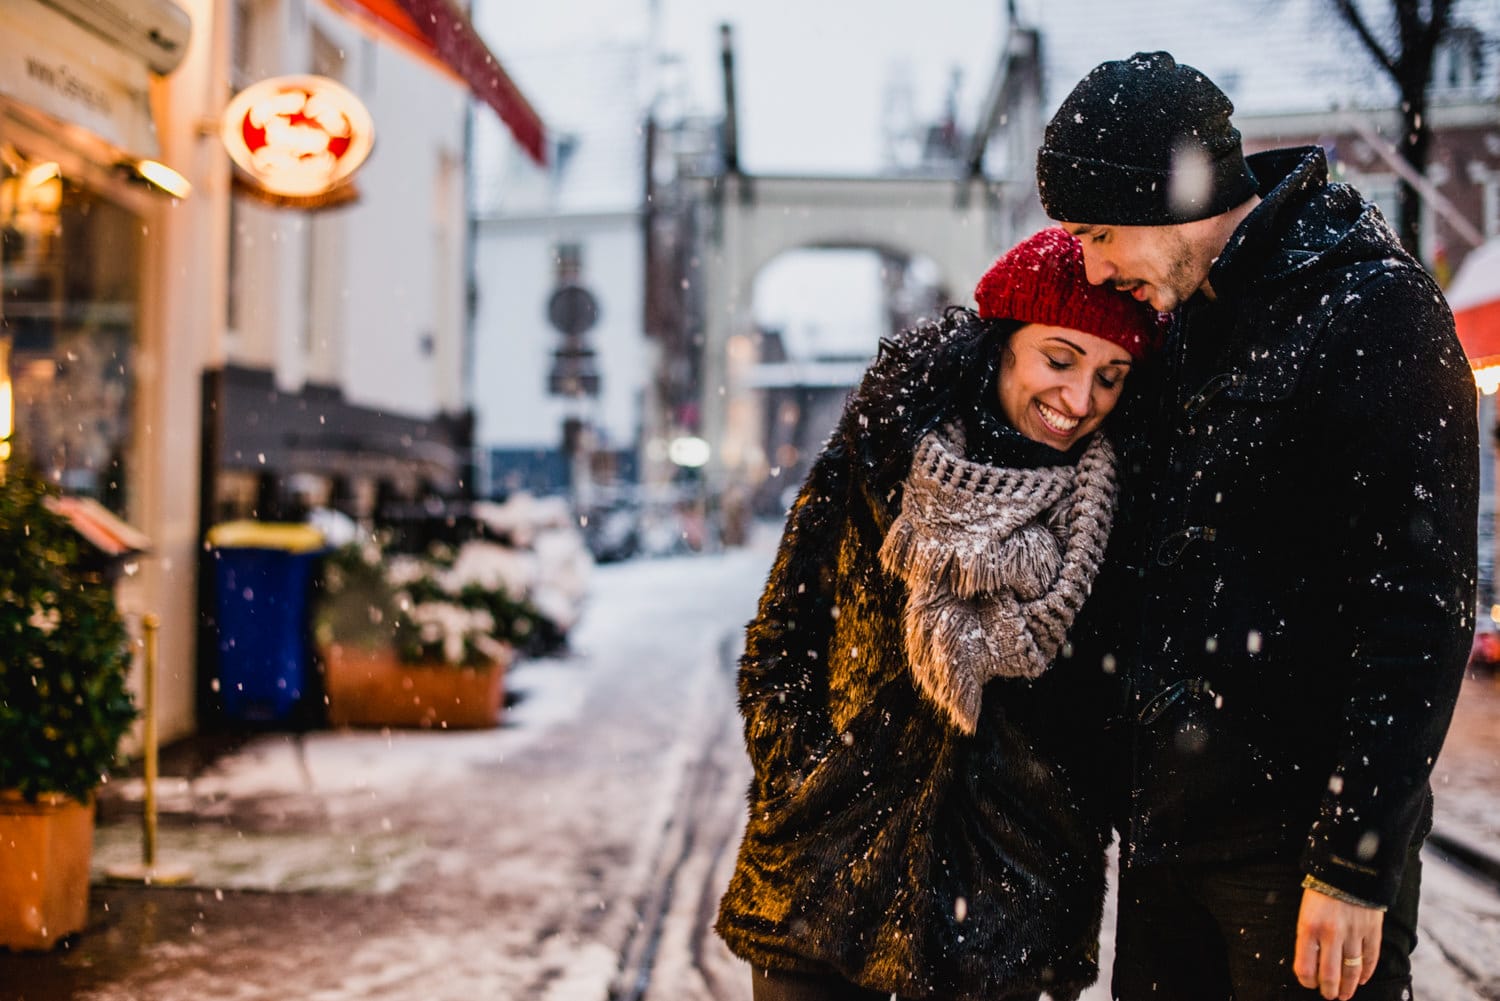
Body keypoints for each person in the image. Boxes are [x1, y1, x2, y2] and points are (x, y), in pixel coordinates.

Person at [1035, 51, 1479, 1001]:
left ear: (1168, 200)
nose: (1093, 263)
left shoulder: (1374, 308)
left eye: (1100, 232)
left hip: (1297, 859)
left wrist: (1356, 860)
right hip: (1167, 844)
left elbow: (1422, 605)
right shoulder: (1185, 312)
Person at [714, 227, 1163, 1001]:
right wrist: (802, 779)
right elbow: (783, 637)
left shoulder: (1122, 510)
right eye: (1059, 359)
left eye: (1112, 375)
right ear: (1001, 346)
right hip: (822, 894)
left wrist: (1063, 832)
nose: (1080, 400)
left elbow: (1119, 708)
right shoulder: (883, 452)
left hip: (1009, 924)